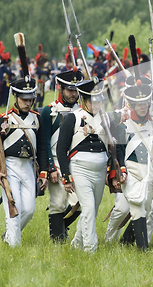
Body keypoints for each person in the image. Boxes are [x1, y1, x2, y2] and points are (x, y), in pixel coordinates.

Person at [57, 78, 126, 252]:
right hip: (80, 169)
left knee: (92, 211)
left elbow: (116, 147)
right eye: (92, 101)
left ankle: (76, 244)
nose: (96, 104)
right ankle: (90, 249)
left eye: (99, 100)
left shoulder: (106, 119)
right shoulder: (73, 118)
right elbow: (61, 149)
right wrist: (66, 177)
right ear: (84, 100)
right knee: (87, 208)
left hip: (100, 169)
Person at [0, 76, 48, 246]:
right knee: (13, 209)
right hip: (10, 167)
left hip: (28, 166)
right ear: (16, 97)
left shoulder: (37, 118)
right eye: (24, 99)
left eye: (31, 99)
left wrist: (43, 172)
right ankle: (14, 247)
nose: (28, 103)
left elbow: (42, 147)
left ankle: (9, 236)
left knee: (28, 210)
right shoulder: (4, 119)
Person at [117, 82, 153, 250]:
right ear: (132, 105)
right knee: (137, 206)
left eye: (145, 103)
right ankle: (143, 249)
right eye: (139, 104)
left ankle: (125, 241)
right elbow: (119, 151)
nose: (143, 107)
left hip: (149, 172)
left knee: (147, 208)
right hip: (132, 170)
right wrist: (121, 170)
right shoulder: (124, 126)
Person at [41, 70, 84, 242]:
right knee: (58, 202)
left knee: (79, 203)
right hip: (56, 162)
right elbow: (45, 142)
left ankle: (61, 227)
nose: (73, 94)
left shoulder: (82, 112)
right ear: (61, 88)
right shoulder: (49, 111)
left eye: (76, 90)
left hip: (76, 162)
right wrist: (50, 168)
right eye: (69, 90)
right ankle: (57, 239)